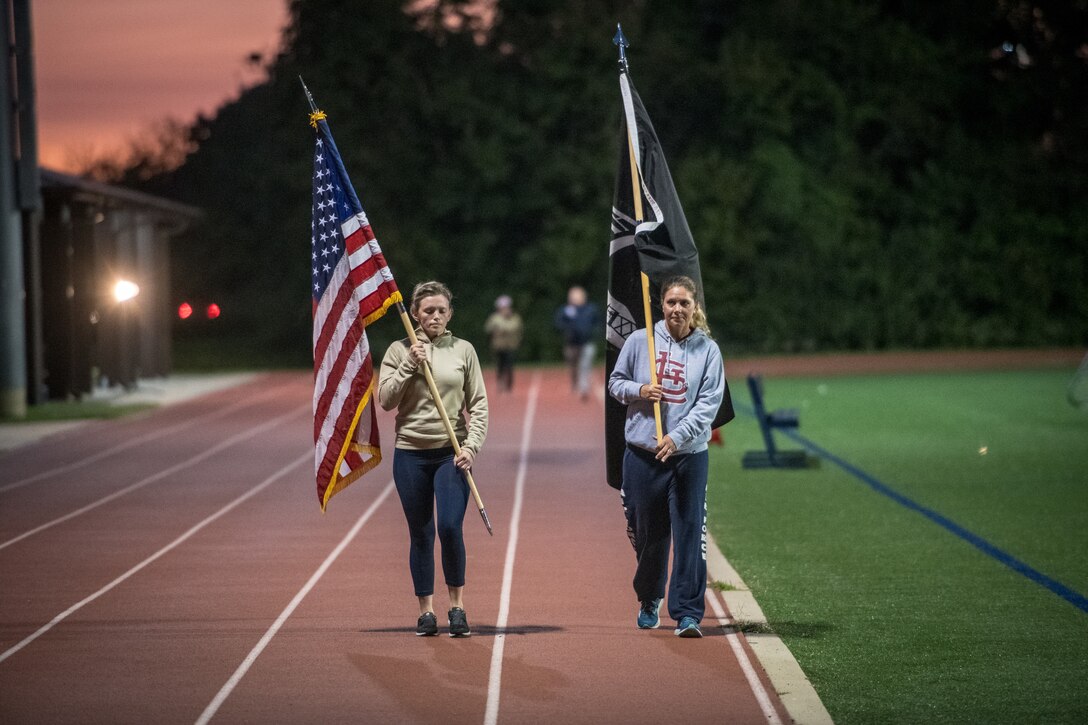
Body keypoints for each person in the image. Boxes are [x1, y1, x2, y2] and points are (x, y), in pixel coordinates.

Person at [607, 275, 726, 638]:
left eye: (684, 303)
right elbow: (615, 384)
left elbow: (708, 405)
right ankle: (649, 597)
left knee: (690, 532)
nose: (677, 308)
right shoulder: (639, 341)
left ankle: (688, 613)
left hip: (688, 456)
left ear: (694, 307)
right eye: (671, 302)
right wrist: (640, 389)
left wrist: (677, 437)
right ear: (661, 304)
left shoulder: (707, 350)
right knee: (649, 533)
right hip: (643, 455)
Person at [378, 281, 488, 637]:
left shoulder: (463, 350)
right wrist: (410, 363)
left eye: (441, 310)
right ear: (414, 313)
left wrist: (471, 446)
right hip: (410, 454)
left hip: (451, 455)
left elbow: (479, 406)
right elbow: (386, 399)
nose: (435, 316)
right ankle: (426, 611)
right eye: (428, 311)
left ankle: (457, 606)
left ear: (450, 313)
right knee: (421, 532)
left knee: (450, 527)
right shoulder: (399, 350)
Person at [554, 285, 600, 400]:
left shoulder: (591, 309)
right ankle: (574, 384)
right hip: (572, 344)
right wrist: (568, 328)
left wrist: (593, 331)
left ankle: (584, 388)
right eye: (573, 296)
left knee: (585, 365)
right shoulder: (566, 310)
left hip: (587, 342)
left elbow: (598, 323)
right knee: (573, 366)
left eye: (578, 296)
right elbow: (558, 323)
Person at [483, 294, 523, 392]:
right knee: (500, 365)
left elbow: (516, 328)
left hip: (510, 345)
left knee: (509, 365)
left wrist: (502, 329)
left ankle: (509, 385)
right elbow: (488, 329)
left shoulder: (514, 318)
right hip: (498, 346)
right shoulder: (495, 318)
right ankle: (500, 383)